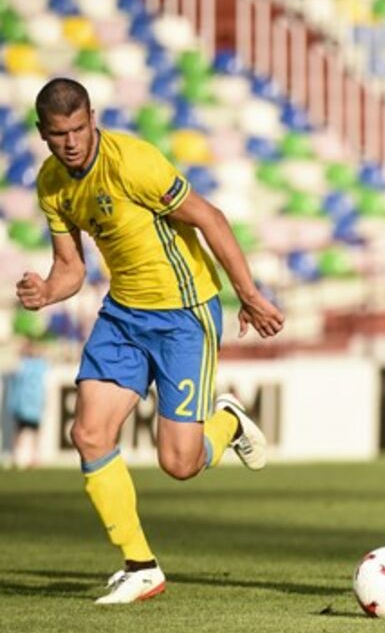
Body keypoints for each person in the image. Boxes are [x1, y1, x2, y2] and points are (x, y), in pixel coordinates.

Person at [17, 78, 285, 603]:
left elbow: (209, 217)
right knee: (89, 434)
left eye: (78, 129)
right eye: (58, 133)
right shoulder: (51, 183)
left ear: (93, 118)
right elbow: (70, 268)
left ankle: (227, 421)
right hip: (123, 316)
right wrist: (47, 290)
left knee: (179, 464)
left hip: (183, 314)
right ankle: (141, 566)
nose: (70, 142)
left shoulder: (133, 163)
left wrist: (249, 296)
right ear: (42, 133)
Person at [5, 340, 49, 470]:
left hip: (31, 405)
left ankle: (34, 457)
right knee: (20, 431)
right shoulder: (24, 364)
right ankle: (16, 456)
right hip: (25, 405)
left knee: (32, 432)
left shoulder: (37, 365)